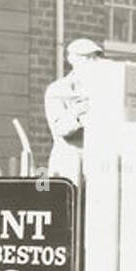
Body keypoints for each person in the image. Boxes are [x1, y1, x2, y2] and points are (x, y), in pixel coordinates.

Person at [45, 38, 104, 181]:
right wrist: (80, 117)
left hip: (99, 163)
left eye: (95, 58)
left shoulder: (104, 88)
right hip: (70, 161)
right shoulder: (59, 89)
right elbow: (59, 127)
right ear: (71, 59)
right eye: (86, 57)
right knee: (71, 201)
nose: (92, 62)